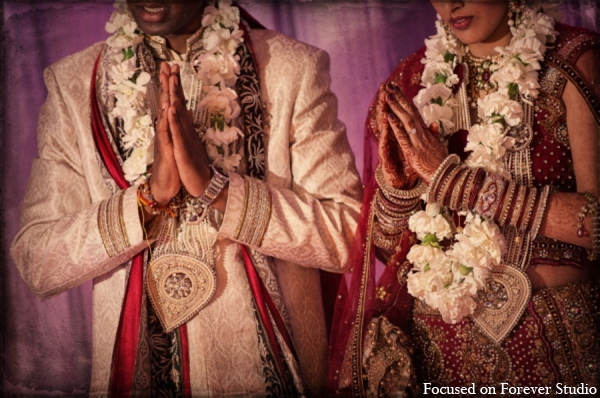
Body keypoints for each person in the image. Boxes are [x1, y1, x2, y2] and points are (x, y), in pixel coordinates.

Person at [10, 0, 362, 395]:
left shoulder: (289, 68)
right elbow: (36, 259)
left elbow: (350, 235)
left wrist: (221, 190)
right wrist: (147, 202)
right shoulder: (75, 85)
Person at [329, 0, 600, 396]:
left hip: (558, 346)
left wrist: (459, 184)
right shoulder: (411, 80)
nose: (451, 3)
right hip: (443, 354)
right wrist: (399, 192)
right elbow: (388, 250)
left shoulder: (574, 61)